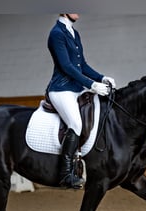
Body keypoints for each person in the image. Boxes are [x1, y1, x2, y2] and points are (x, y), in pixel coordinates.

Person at [46, 14, 116, 189]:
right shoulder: (56, 33)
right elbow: (66, 66)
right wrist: (92, 84)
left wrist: (101, 78)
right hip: (61, 89)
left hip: (76, 88)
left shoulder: (74, 33)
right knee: (76, 123)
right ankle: (66, 175)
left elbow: (82, 65)